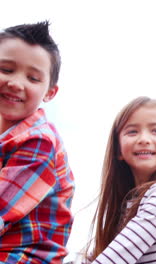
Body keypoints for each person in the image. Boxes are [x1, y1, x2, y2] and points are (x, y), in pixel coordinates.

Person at [85, 96, 156, 264]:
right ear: (118, 150)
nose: (144, 139)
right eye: (132, 132)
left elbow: (113, 260)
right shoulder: (131, 200)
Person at [0, 21, 75, 263]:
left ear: (49, 92)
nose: (16, 83)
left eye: (32, 78)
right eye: (6, 69)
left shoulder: (39, 142)